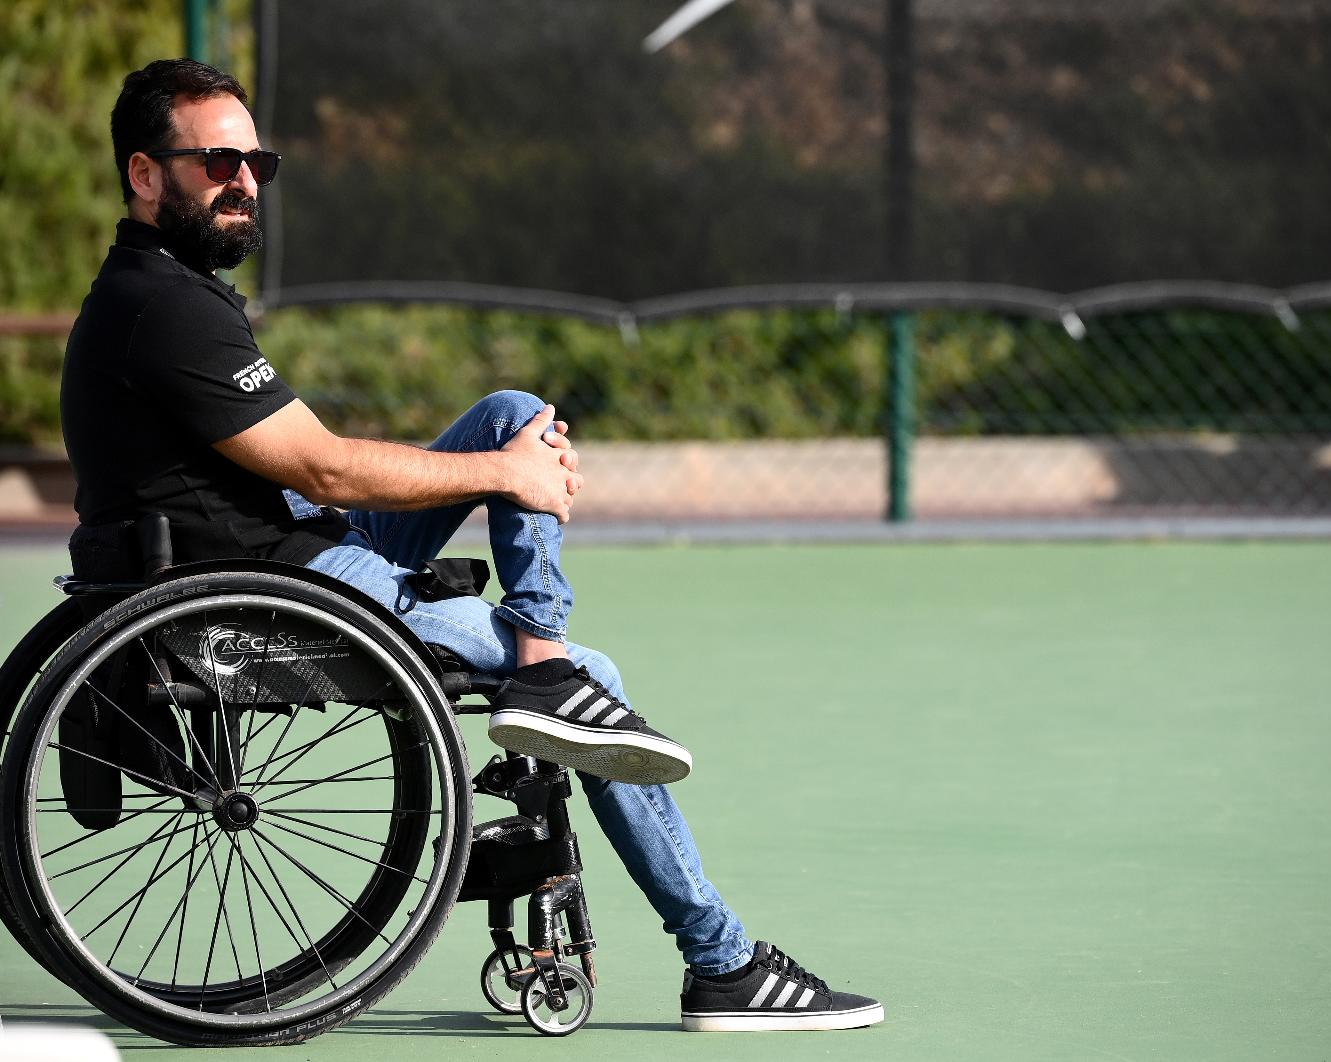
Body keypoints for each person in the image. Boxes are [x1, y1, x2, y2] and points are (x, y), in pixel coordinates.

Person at [59, 57, 882, 1033]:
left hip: (283, 560)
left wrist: (508, 461)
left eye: (257, 163)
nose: (245, 182)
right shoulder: (165, 308)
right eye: (218, 163)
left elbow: (298, 481)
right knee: (596, 669)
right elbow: (321, 469)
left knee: (514, 415)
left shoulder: (162, 292)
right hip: (265, 605)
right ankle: (722, 961)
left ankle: (536, 659)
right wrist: (505, 481)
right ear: (147, 175)